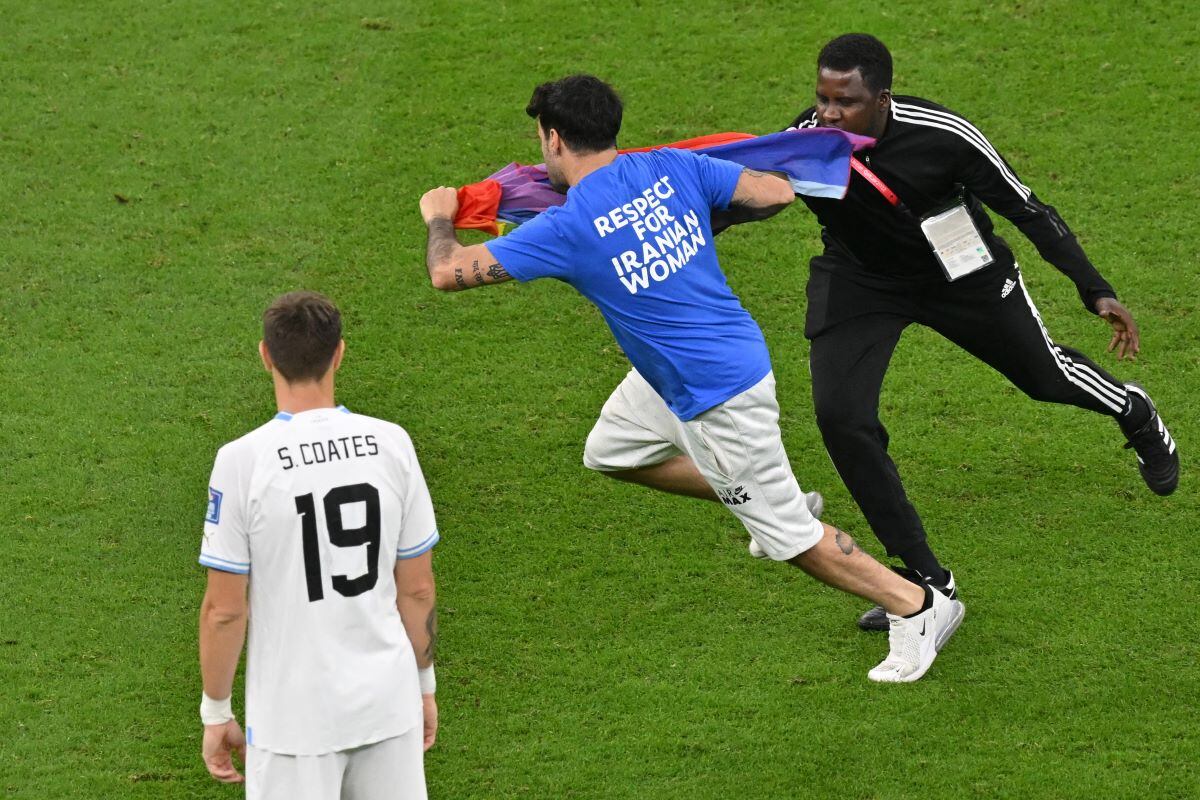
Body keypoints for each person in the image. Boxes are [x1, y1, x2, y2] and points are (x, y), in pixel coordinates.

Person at [418, 74, 964, 683]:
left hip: (715, 395)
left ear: (553, 139)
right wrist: (691, 220)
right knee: (612, 451)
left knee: (791, 539)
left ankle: (917, 607)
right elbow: (776, 193)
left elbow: (447, 272)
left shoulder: (565, 227)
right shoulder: (673, 166)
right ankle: (766, 496)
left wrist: (440, 217)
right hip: (690, 369)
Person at [779, 33, 1179, 631]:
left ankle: (1133, 410)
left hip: (959, 273)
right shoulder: (806, 139)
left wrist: (1095, 289)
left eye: (846, 101)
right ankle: (923, 581)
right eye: (823, 98)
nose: (829, 114)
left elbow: (1028, 209)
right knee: (841, 416)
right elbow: (745, 191)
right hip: (862, 281)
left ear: (883, 99)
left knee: (1045, 378)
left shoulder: (945, 137)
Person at [197, 291, 439, 799]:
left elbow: (224, 610)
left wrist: (216, 712)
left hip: (294, 721)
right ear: (339, 353)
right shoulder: (392, 442)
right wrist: (423, 685)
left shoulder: (242, 460)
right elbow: (417, 590)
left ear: (266, 356)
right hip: (388, 705)